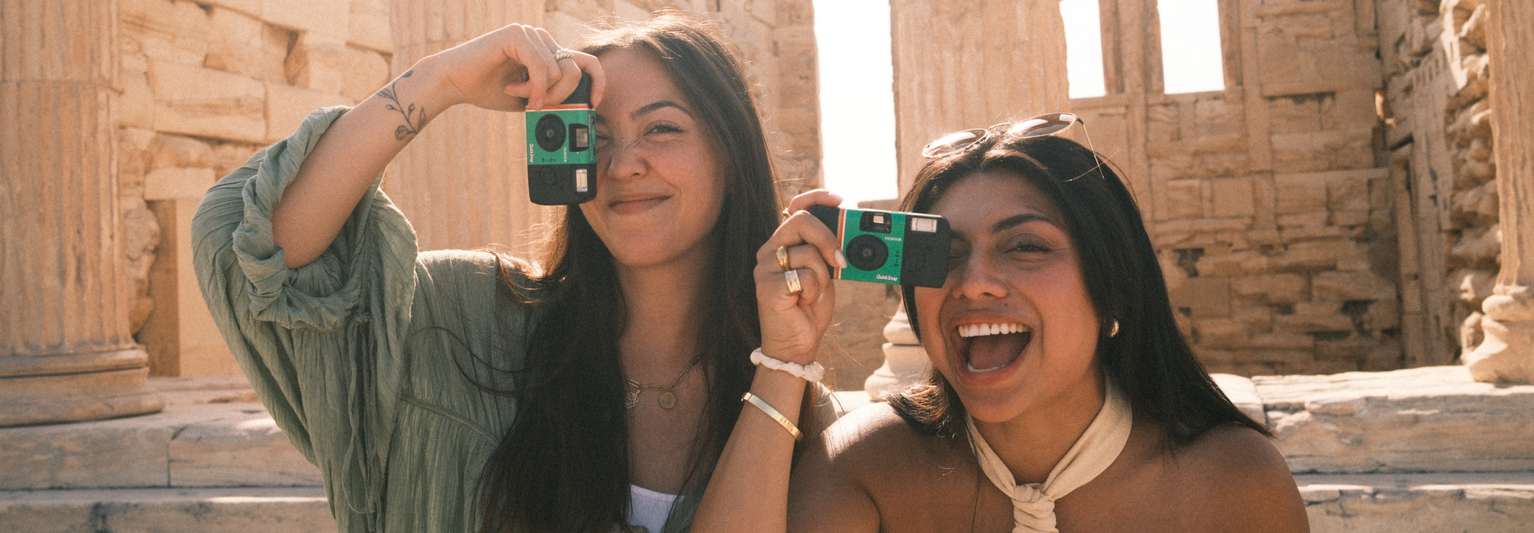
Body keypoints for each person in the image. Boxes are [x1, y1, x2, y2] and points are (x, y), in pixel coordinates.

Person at [193, 14, 843, 533]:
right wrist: (442, 81)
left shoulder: (803, 413)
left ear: (732, 153)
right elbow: (263, 255)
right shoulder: (464, 316)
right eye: (593, 135)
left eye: (662, 129)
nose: (623, 164)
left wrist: (783, 366)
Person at [776, 115, 1310, 532]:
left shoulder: (1237, 483)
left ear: (1115, 282)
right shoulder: (861, 467)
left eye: (1026, 246)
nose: (974, 282)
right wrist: (781, 354)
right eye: (946, 254)